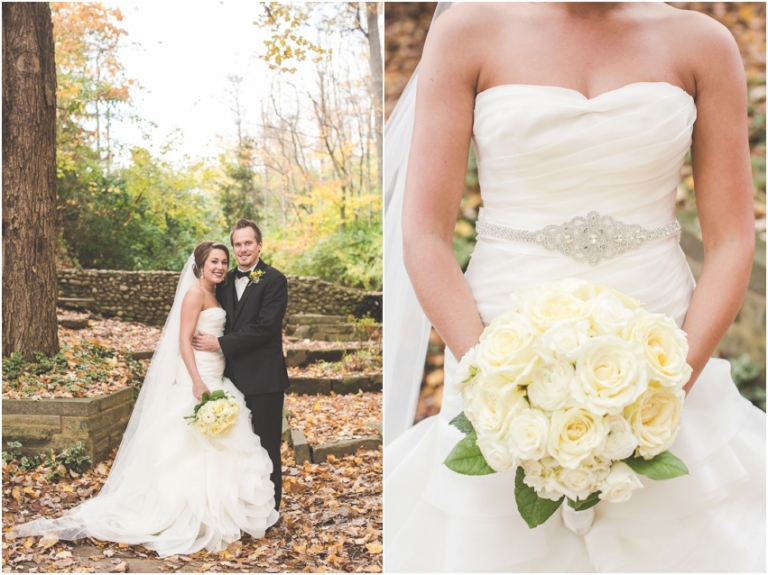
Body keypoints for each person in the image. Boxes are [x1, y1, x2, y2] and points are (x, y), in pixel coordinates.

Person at [384, 2, 766, 572]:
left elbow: (733, 240)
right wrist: (498, 389)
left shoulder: (703, 44)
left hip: (668, 359)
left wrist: (664, 390)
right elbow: (425, 236)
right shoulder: (467, 31)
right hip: (496, 351)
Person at [12, 241, 279, 557]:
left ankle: (218, 515)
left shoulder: (216, 293)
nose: (220, 267)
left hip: (217, 377)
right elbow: (183, 340)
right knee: (191, 449)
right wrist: (196, 381)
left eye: (223, 261)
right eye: (214, 261)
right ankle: (189, 516)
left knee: (224, 446)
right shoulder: (195, 294)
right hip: (198, 378)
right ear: (200, 265)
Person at [193, 218, 290, 511]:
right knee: (237, 448)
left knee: (266, 446)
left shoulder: (274, 280)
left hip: (264, 380)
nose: (243, 249)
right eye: (238, 244)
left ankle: (270, 510)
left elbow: (266, 327)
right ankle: (242, 509)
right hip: (229, 379)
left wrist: (220, 344)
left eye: (248, 243)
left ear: (259, 245)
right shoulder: (224, 281)